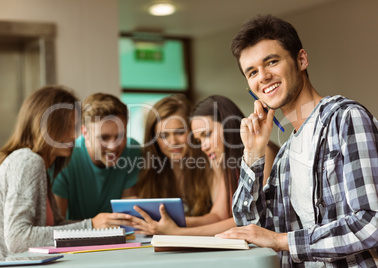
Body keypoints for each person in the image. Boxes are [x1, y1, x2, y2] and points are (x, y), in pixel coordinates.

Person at [216, 15, 378, 267]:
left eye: (271, 62)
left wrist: (283, 241)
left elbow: (371, 223)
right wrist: (252, 155)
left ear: (301, 59)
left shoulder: (346, 118)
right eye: (252, 72)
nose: (263, 77)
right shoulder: (285, 156)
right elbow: (252, 230)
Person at [0, 86, 132, 260]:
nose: (74, 135)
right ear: (45, 126)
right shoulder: (28, 161)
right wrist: (91, 226)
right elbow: (18, 239)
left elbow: (56, 225)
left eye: (75, 126)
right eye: (66, 127)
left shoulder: (41, 165)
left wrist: (102, 225)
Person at [132, 95, 279, 235]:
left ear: (227, 124)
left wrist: (179, 232)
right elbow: (217, 215)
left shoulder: (262, 151)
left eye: (207, 135)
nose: (203, 147)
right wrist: (167, 223)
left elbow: (249, 219)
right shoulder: (226, 161)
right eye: (199, 140)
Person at [136, 94, 223, 227]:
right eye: (163, 136)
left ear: (193, 131)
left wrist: (169, 224)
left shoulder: (211, 163)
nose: (173, 142)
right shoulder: (147, 170)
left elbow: (220, 217)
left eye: (180, 132)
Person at [52, 93, 141, 221]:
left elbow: (127, 218)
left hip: (118, 236)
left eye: (120, 136)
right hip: (77, 237)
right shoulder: (66, 157)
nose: (113, 146)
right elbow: (57, 224)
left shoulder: (132, 151)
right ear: (85, 132)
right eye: (104, 137)